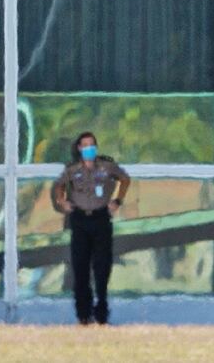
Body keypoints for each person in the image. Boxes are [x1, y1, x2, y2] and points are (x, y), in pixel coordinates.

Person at [53, 131, 131, 325]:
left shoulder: (106, 167)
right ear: (79, 148)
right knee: (80, 266)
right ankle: (83, 313)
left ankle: (101, 310)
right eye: (85, 145)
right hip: (80, 219)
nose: (90, 149)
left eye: (92, 145)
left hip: (101, 218)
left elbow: (125, 179)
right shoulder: (72, 170)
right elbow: (59, 186)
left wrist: (117, 201)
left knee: (102, 265)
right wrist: (62, 202)